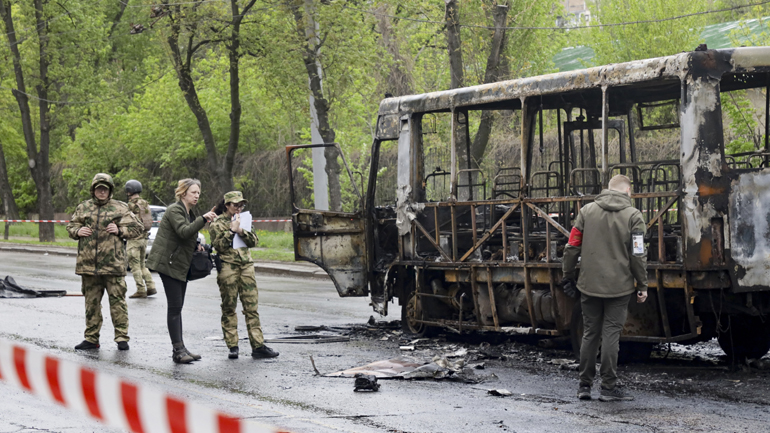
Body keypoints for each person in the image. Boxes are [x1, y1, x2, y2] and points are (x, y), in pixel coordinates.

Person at [562, 174, 648, 402]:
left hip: (588, 284)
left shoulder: (586, 212)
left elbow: (572, 246)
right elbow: (638, 254)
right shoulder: (634, 216)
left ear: (607, 189)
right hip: (619, 287)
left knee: (590, 333)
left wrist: (567, 275)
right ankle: (608, 388)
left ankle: (584, 386)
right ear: (629, 191)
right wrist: (643, 284)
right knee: (611, 335)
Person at [66, 173, 145, 351]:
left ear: (110, 190)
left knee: (118, 303)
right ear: (93, 190)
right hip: (88, 267)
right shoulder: (83, 207)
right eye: (99, 188)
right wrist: (77, 231)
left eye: (105, 188)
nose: (102, 191)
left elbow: (138, 228)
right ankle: (91, 338)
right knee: (91, 304)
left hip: (113, 266)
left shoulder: (120, 208)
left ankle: (122, 338)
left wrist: (120, 229)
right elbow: (71, 226)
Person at [146, 179, 217, 364]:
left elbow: (186, 237)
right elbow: (183, 231)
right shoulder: (174, 210)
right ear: (183, 193)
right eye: (193, 192)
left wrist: (198, 245)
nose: (197, 195)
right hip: (168, 264)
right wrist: (204, 218)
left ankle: (181, 347)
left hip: (179, 264)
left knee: (178, 307)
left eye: (198, 193)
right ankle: (178, 350)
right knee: (175, 307)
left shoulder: (187, 212)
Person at [209, 192, 279, 360]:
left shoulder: (244, 219)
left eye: (241, 205)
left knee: (251, 308)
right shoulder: (217, 223)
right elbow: (218, 245)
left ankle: (258, 346)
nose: (238, 208)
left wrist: (240, 230)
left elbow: (254, 241)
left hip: (246, 266)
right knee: (229, 307)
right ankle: (233, 346)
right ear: (227, 205)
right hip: (228, 267)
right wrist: (231, 231)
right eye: (235, 205)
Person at [125, 180, 157, 299]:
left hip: (134, 240)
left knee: (135, 266)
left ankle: (140, 289)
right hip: (144, 239)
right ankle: (151, 286)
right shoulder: (145, 203)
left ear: (129, 191)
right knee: (143, 265)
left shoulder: (130, 205)